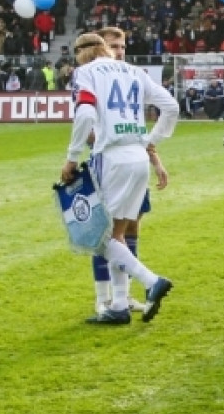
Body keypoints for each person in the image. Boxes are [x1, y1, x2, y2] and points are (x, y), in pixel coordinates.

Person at [60, 33, 177, 325]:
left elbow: (85, 113)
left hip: (109, 156)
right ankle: (120, 305)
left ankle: (151, 281)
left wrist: (72, 157)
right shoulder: (134, 72)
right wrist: (151, 140)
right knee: (118, 235)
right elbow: (171, 107)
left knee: (100, 236)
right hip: (138, 157)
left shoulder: (84, 73)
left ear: (82, 53)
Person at [90, 26, 168, 316]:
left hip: (133, 159)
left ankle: (123, 297)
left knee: (129, 229)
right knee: (104, 232)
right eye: (112, 46)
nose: (118, 51)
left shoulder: (133, 76)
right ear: (100, 49)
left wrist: (155, 159)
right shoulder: (95, 78)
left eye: (121, 46)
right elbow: (89, 127)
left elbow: (138, 127)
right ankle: (103, 298)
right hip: (110, 163)